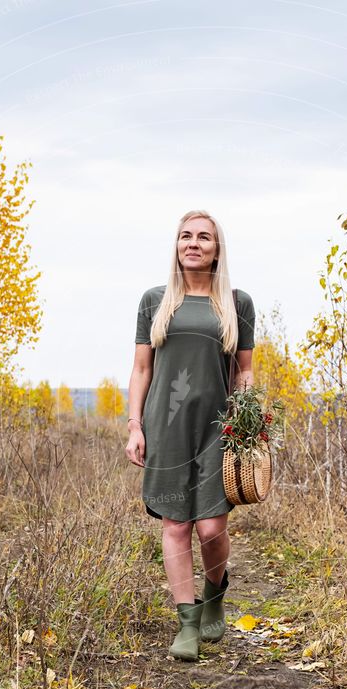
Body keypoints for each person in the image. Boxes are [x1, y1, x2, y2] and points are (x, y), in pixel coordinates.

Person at [125, 209, 256, 662]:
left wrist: (249, 419)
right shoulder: (154, 301)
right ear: (176, 246)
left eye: (204, 237)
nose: (193, 243)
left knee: (211, 526)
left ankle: (215, 591)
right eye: (185, 236)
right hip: (166, 425)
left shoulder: (237, 303)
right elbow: (142, 369)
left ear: (217, 249)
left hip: (219, 428)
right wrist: (134, 425)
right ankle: (187, 621)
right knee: (176, 523)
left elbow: (245, 371)